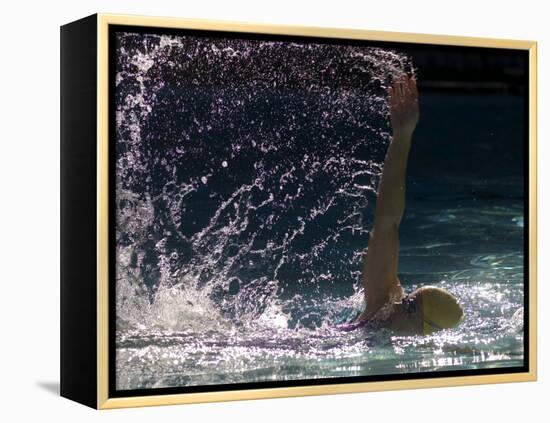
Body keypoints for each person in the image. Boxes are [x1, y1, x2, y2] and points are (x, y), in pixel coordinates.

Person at [339, 73, 464, 335]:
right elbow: (387, 221)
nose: (399, 305)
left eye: (408, 307)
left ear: (425, 330)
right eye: (407, 301)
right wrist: (402, 135)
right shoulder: (379, 311)